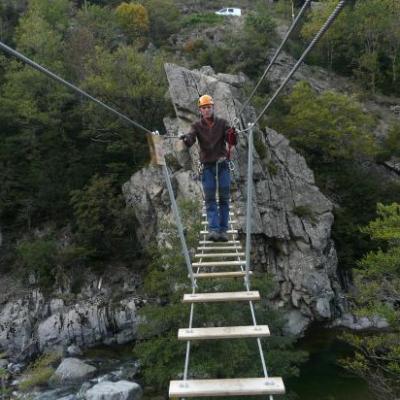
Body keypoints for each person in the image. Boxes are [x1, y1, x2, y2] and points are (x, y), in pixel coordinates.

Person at [180, 94, 237, 242]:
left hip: (222, 164)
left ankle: (223, 231)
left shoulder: (223, 123)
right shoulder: (196, 126)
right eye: (203, 108)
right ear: (200, 110)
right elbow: (191, 138)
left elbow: (232, 141)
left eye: (208, 107)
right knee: (210, 199)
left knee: (224, 198)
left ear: (212, 108)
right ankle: (213, 230)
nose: (206, 110)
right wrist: (186, 139)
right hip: (207, 166)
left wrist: (232, 134)